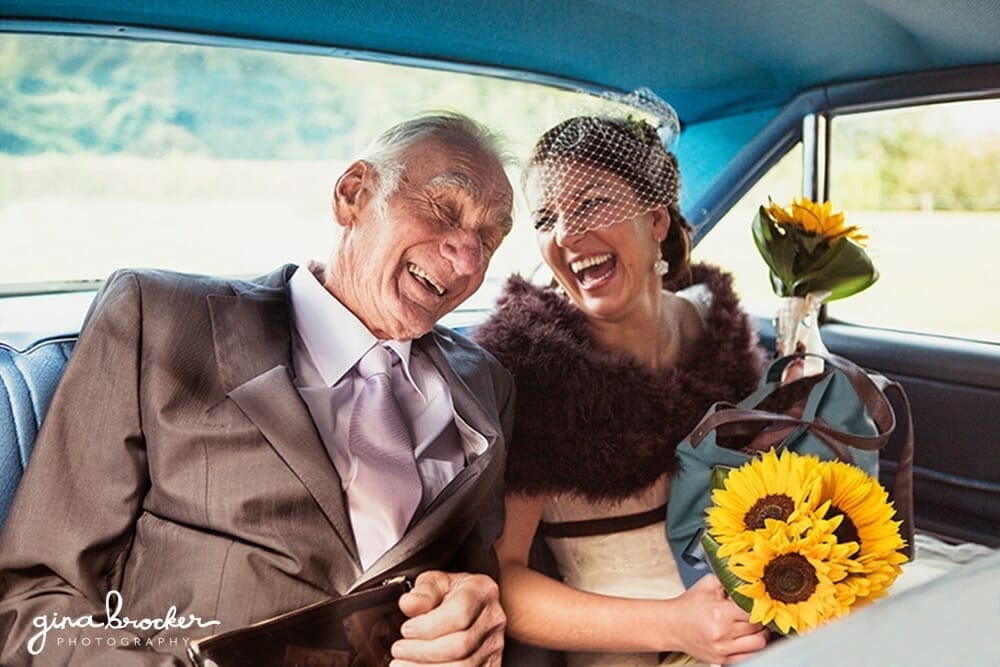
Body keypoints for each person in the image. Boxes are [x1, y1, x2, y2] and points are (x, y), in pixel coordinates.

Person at [0, 113, 514, 666]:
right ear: (352, 195)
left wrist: (475, 611)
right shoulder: (161, 317)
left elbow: (467, 577)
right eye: (442, 209)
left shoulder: (486, 384)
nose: (468, 258)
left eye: (490, 237)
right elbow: (34, 605)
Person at [474, 115, 771, 666]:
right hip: (622, 649)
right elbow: (502, 581)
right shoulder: (534, 368)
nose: (565, 235)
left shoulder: (720, 332)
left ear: (656, 219)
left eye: (591, 204)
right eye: (546, 217)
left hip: (757, 623)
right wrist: (677, 626)